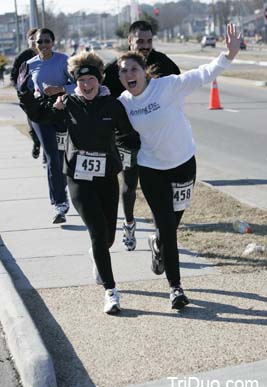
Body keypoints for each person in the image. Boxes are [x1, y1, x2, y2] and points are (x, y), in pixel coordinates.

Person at [117, 23, 241, 310]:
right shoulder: (123, 102)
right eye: (123, 72)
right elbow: (95, 107)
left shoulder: (167, 87)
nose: (128, 75)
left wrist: (229, 55)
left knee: (172, 224)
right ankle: (176, 288)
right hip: (151, 169)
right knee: (168, 228)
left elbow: (203, 74)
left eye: (133, 69)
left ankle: (159, 243)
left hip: (184, 164)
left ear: (143, 70)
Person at [17, 51, 140, 314]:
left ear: (99, 79)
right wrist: (25, 93)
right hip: (78, 178)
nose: (86, 85)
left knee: (107, 236)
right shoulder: (67, 103)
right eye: (81, 81)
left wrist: (129, 156)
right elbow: (39, 115)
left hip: (107, 177)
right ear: (75, 82)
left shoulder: (113, 105)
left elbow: (128, 135)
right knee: (97, 231)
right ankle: (111, 291)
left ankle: (98, 256)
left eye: (90, 80)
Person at [103, 20, 181, 252]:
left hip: (156, 140)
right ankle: (128, 223)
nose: (145, 45)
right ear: (130, 41)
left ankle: (160, 239)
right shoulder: (116, 68)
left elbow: (177, 87)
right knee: (129, 184)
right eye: (140, 41)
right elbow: (103, 98)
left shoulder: (163, 63)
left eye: (148, 41)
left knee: (159, 190)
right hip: (128, 140)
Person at [24, 28, 76, 224]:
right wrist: (34, 96)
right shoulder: (30, 64)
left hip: (62, 112)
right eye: (40, 42)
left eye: (47, 41)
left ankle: (64, 190)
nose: (43, 45)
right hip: (41, 114)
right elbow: (25, 91)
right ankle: (59, 204)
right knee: (52, 156)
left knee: (62, 156)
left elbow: (79, 85)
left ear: (53, 42)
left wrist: (60, 90)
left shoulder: (64, 61)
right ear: (34, 44)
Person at [10, 28, 42, 159]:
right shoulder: (23, 57)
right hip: (29, 96)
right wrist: (21, 91)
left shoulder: (49, 55)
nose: (35, 41)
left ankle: (48, 151)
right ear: (28, 40)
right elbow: (14, 76)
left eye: (38, 38)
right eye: (32, 38)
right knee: (33, 122)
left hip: (47, 96)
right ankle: (36, 142)